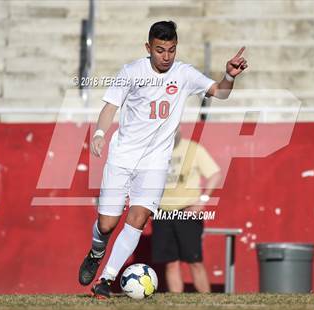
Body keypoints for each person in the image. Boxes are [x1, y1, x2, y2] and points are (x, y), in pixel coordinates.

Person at [78, 20, 247, 299]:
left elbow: (221, 92)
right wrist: (99, 133)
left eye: (171, 50)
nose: (166, 56)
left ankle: (106, 280)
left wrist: (229, 76)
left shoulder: (184, 73)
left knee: (139, 218)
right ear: (148, 47)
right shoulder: (132, 71)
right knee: (107, 224)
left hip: (155, 162)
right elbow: (110, 107)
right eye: (160, 50)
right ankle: (96, 252)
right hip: (122, 157)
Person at [152, 129, 222, 293]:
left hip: (187, 211)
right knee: (170, 262)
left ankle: (207, 302)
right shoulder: (156, 151)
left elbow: (215, 174)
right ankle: (177, 302)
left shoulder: (193, 149)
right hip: (162, 212)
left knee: (195, 260)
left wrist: (203, 200)